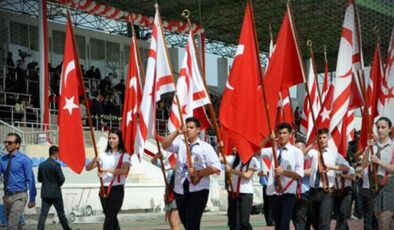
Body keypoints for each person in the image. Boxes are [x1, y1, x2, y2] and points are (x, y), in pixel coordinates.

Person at [161, 117, 221, 230]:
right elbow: (164, 145)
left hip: (198, 190)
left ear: (198, 130)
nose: (188, 129)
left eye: (191, 127)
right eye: (186, 127)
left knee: (191, 222)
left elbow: (216, 167)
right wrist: (176, 132)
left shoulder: (205, 147)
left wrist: (198, 172)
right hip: (180, 190)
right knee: (187, 223)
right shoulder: (180, 144)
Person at [258, 122, 304, 230]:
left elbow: (299, 174)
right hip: (274, 192)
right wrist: (267, 139)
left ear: (290, 134)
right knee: (278, 224)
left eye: (284, 133)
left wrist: (283, 172)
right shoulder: (273, 150)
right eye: (280, 133)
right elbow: (256, 152)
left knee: (284, 223)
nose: (282, 136)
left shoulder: (296, 152)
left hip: (288, 192)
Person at [86, 129, 131, 230]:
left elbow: (124, 170)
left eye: (114, 138)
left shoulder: (124, 155)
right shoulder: (103, 155)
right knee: (111, 219)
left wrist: (106, 170)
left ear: (119, 140)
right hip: (103, 190)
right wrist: (95, 159)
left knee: (109, 221)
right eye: (109, 138)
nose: (111, 140)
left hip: (117, 190)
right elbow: (88, 168)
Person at [306, 128, 349, 230]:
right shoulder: (313, 152)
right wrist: (312, 144)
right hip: (313, 191)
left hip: (327, 192)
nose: (322, 140)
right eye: (319, 137)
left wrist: (331, 167)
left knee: (324, 223)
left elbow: (346, 166)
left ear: (328, 139)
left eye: (324, 137)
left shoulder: (334, 154)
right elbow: (301, 155)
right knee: (315, 223)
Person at [0, 133, 36, 230]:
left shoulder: (24, 160)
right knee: (15, 224)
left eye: (10, 142)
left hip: (19, 196)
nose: (7, 144)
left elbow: (31, 180)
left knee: (11, 225)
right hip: (7, 196)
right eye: (5, 142)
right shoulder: (2, 160)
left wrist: (32, 198)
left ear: (17, 145)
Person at [363, 117, 394, 230]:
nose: (380, 130)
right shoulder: (373, 146)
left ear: (389, 129)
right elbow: (363, 164)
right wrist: (368, 148)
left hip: (389, 185)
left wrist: (378, 161)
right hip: (375, 185)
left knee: (384, 221)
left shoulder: (393, 147)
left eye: (383, 127)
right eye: (378, 127)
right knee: (381, 222)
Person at [224, 146, 259, 230]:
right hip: (233, 192)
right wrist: (220, 147)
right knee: (234, 222)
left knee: (244, 221)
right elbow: (220, 159)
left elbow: (247, 175)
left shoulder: (252, 160)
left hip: (245, 193)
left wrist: (232, 170)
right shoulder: (233, 158)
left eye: (236, 146)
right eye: (233, 146)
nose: (234, 149)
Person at [37, 145, 72, 230]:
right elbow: (62, 179)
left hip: (45, 193)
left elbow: (39, 179)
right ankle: (66, 229)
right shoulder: (56, 165)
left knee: (43, 214)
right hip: (56, 193)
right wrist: (57, 185)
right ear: (55, 153)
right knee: (60, 213)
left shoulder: (42, 165)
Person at [151, 152, 180, 230]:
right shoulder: (168, 162)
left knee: (174, 220)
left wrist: (177, 168)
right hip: (169, 191)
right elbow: (153, 161)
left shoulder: (181, 159)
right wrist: (156, 156)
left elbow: (187, 170)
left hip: (177, 191)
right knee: (171, 220)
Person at [292, 140, 313, 230]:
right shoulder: (292, 160)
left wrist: (299, 172)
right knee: (295, 217)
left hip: (305, 192)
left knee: (300, 217)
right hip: (292, 193)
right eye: (295, 148)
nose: (297, 151)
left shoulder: (308, 159)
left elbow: (312, 171)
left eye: (299, 148)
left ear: (305, 149)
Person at [333, 161, 355, 230]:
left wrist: (341, 175)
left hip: (346, 191)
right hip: (336, 192)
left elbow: (353, 177)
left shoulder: (350, 168)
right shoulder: (334, 169)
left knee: (343, 211)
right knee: (338, 214)